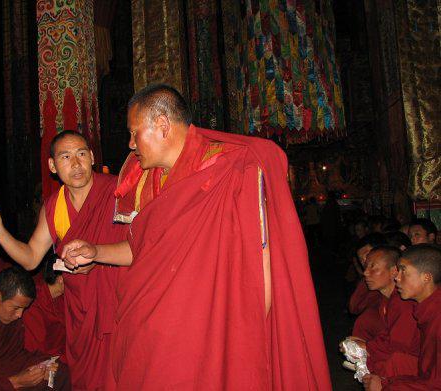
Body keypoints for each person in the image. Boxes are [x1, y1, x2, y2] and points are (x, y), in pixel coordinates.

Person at [61, 84, 331, 389]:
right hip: (154, 337)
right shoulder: (147, 180)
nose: (131, 143)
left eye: (135, 133)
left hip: (211, 333)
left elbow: (261, 264)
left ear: (162, 126)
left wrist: (248, 338)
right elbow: (140, 250)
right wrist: (95, 252)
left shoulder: (231, 168)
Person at [0, 130, 128, 390]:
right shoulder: (54, 207)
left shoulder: (118, 191)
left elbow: (140, 247)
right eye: (65, 156)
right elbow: (30, 259)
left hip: (118, 306)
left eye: (81, 154)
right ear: (52, 165)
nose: (76, 164)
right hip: (80, 313)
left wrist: (97, 255)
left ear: (92, 157)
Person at [362, 244, 441, 390]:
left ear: (426, 277)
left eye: (403, 271)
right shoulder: (427, 309)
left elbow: (434, 384)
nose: (397, 277)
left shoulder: (437, 317)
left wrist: (385, 386)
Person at [351, 246, 420, 378]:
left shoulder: (403, 300)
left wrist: (367, 347)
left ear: (394, 271)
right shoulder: (385, 299)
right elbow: (354, 306)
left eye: (373, 267)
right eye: (365, 266)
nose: (365, 272)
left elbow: (400, 344)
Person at [23, 257, 66, 361]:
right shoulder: (34, 301)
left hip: (60, 356)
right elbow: (36, 347)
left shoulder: (62, 298)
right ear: (61, 279)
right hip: (43, 360)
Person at [349, 233, 388, 341]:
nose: (365, 262)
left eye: (368, 256)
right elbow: (354, 306)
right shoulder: (371, 282)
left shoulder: (404, 292)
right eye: (361, 260)